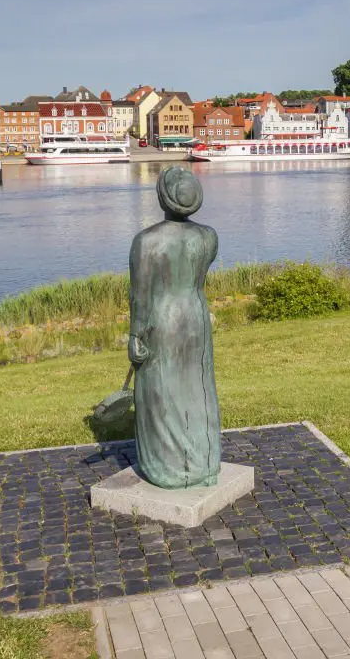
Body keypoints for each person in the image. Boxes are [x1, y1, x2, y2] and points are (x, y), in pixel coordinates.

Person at [128, 166, 221, 489]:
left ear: (162, 198)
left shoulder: (146, 242)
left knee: (160, 392)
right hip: (195, 316)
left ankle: (169, 469)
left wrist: (136, 335)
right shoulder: (208, 237)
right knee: (198, 389)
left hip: (163, 319)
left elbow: (139, 296)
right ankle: (206, 465)